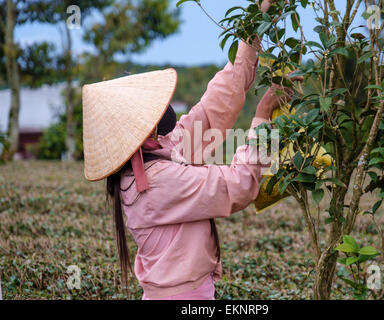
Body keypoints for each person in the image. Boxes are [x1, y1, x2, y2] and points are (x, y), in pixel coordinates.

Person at [82, 0, 303, 300]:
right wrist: (263, 115)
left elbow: (215, 106)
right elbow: (238, 185)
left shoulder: (156, 153)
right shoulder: (155, 180)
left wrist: (257, 21)